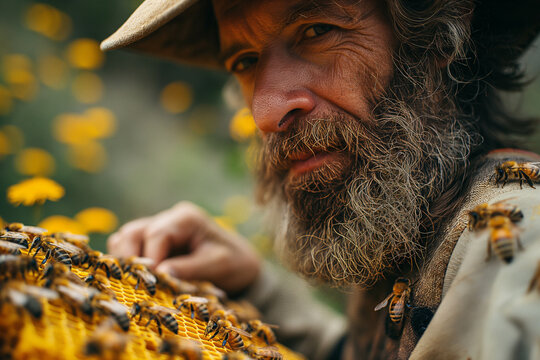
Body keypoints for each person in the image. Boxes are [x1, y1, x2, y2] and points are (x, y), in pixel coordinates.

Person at [101, 0, 540, 358]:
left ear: (436, 35)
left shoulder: (515, 245)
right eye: (247, 60)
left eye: (317, 31)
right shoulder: (414, 223)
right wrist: (258, 293)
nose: (266, 112)